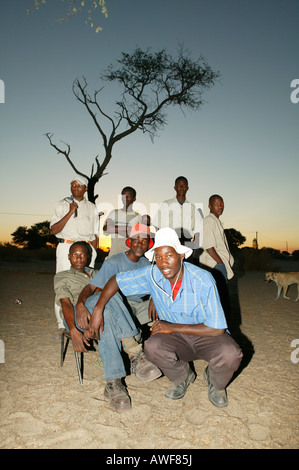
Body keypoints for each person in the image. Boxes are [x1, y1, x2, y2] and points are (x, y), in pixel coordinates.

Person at [85, 228, 243, 408]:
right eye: (158, 257)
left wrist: (173, 327)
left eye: (169, 255)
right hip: (177, 340)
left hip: (207, 335)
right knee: (152, 346)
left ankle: (216, 384)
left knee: (231, 354)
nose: (163, 263)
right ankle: (182, 377)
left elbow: (217, 328)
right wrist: (98, 308)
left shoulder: (203, 279)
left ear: (181, 255)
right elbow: (116, 280)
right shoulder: (152, 274)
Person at [55, 241, 160, 412]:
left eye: (83, 255)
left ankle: (113, 383)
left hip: (99, 315)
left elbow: (104, 297)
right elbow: (65, 304)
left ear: (88, 257)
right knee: (107, 295)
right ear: (68, 257)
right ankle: (134, 350)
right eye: (75, 255)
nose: (79, 258)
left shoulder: (95, 273)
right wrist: (73, 329)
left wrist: (98, 312)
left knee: (109, 302)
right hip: (77, 315)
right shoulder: (62, 276)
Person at [50, 176, 100, 328]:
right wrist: (70, 212)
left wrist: (93, 251)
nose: (76, 188)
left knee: (88, 283)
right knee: (63, 284)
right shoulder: (62, 204)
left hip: (86, 249)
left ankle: (88, 318)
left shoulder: (92, 207)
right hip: (67, 247)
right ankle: (62, 324)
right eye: (73, 185)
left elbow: (95, 233)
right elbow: (54, 230)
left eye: (80, 185)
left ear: (85, 189)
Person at [153, 176, 202, 262]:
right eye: (179, 185)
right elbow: (157, 225)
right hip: (169, 242)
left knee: (185, 270)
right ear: (175, 187)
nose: (181, 187)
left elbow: (198, 228)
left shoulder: (192, 208)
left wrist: (193, 245)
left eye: (184, 185)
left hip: (186, 243)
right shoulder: (166, 204)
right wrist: (162, 242)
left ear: (187, 188)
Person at [199, 194, 234, 282]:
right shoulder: (209, 221)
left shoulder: (216, 222)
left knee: (220, 293)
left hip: (219, 264)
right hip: (215, 265)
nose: (220, 206)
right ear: (210, 206)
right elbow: (208, 247)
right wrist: (220, 263)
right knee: (219, 293)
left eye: (222, 204)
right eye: (217, 204)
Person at [103, 186, 141, 257]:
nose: (125, 199)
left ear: (134, 198)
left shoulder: (138, 217)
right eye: (123, 196)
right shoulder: (114, 213)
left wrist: (113, 229)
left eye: (128, 196)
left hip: (129, 256)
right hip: (113, 255)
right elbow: (106, 229)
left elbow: (134, 236)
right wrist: (127, 228)